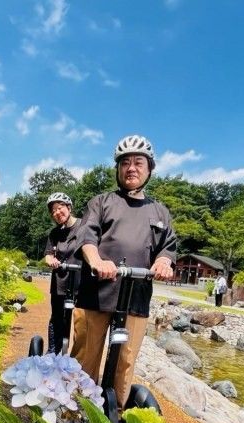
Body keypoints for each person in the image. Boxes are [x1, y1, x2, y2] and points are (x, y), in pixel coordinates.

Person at [71, 134, 176, 408]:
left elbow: (167, 248)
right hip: (96, 293)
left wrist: (164, 262)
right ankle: (74, 411)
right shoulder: (102, 202)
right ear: (118, 169)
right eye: (125, 163)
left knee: (125, 362)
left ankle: (115, 417)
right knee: (85, 356)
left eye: (138, 162)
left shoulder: (160, 212)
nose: (131, 168)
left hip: (136, 298)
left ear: (149, 169)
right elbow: (87, 238)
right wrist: (96, 261)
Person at [43, 192, 80, 353]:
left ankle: (79, 358)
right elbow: (48, 254)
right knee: (57, 319)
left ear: (69, 207)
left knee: (82, 322)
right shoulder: (55, 233)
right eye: (53, 211)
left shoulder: (84, 227)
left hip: (81, 283)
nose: (57, 213)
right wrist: (50, 259)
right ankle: (53, 352)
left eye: (59, 208)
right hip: (60, 282)